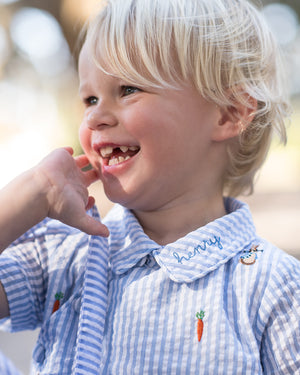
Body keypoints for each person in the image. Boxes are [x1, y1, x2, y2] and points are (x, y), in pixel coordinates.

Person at [0, 0, 299, 373]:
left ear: (228, 113)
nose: (94, 116)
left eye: (127, 89)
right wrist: (32, 191)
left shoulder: (274, 288)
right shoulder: (64, 255)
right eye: (90, 98)